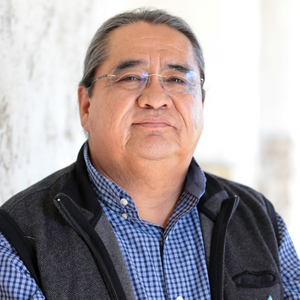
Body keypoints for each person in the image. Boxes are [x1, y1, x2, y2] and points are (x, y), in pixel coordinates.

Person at [0, 8, 299, 300]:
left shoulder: (260, 220)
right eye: (130, 77)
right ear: (86, 106)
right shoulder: (17, 241)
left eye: (177, 80)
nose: (155, 99)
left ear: (201, 106)